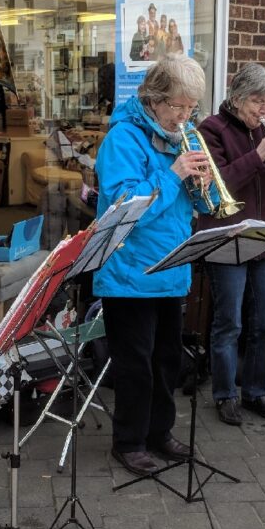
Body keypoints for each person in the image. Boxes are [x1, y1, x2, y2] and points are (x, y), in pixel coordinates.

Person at [94, 54, 210, 477]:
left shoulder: (181, 137)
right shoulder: (123, 139)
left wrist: (200, 189)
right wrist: (175, 174)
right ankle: (128, 441)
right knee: (135, 364)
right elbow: (125, 204)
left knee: (166, 362)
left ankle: (160, 433)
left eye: (190, 108)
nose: (184, 116)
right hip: (129, 272)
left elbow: (184, 204)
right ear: (154, 99)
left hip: (171, 267)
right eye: (177, 106)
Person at [197, 64, 265, 426]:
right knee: (229, 323)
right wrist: (259, 155)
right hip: (228, 238)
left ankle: (257, 392)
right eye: (258, 102)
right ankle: (225, 393)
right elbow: (217, 184)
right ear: (237, 99)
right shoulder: (212, 130)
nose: (264, 111)